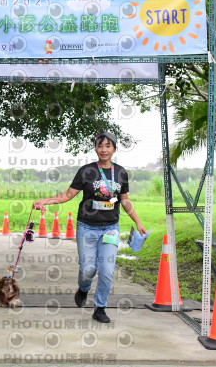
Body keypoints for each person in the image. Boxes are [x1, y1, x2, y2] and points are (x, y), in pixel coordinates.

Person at [32, 131, 147, 323]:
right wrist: (45, 201)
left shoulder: (120, 173)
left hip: (110, 228)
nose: (104, 150)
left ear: (114, 149)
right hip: (87, 227)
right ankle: (83, 288)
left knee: (107, 270)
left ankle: (100, 308)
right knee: (88, 269)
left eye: (108, 146)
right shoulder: (86, 171)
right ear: (95, 148)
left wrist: (138, 222)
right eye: (100, 146)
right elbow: (68, 195)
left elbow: (124, 201)